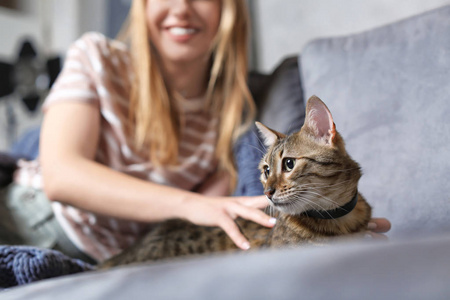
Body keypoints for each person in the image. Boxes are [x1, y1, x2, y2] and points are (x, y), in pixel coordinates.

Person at [1, 0, 390, 264]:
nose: (182, 7)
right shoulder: (95, 57)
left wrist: (329, 225)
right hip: (36, 217)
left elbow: (213, 215)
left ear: (227, 9)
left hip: (129, 250)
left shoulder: (233, 108)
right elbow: (62, 177)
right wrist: (191, 205)